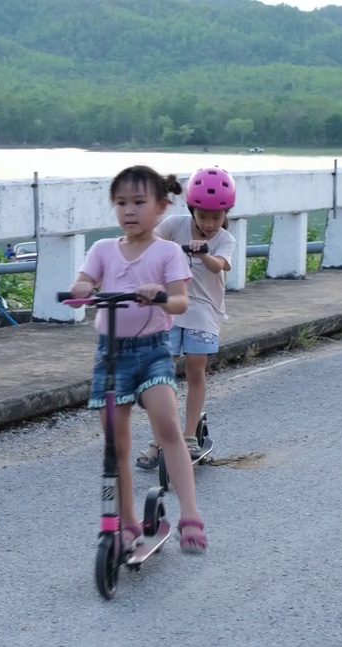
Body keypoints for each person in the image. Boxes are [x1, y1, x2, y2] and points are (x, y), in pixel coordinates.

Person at [68, 165, 208, 554]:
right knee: (117, 444)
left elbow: (180, 300)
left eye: (138, 202)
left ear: (161, 207)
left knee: (167, 427)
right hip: (109, 356)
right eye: (121, 203)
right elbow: (84, 283)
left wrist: (159, 295)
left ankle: (191, 516)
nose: (129, 211)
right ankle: (126, 522)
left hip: (151, 352)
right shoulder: (101, 251)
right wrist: (81, 288)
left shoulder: (166, 253)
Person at [136, 166, 237, 468]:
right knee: (162, 375)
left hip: (203, 312)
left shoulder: (224, 239)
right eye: (202, 216)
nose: (208, 223)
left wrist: (203, 253)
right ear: (191, 210)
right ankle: (159, 439)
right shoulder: (174, 226)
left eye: (216, 217)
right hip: (170, 308)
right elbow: (149, 242)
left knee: (195, 369)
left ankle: (189, 435)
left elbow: (219, 265)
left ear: (226, 214)